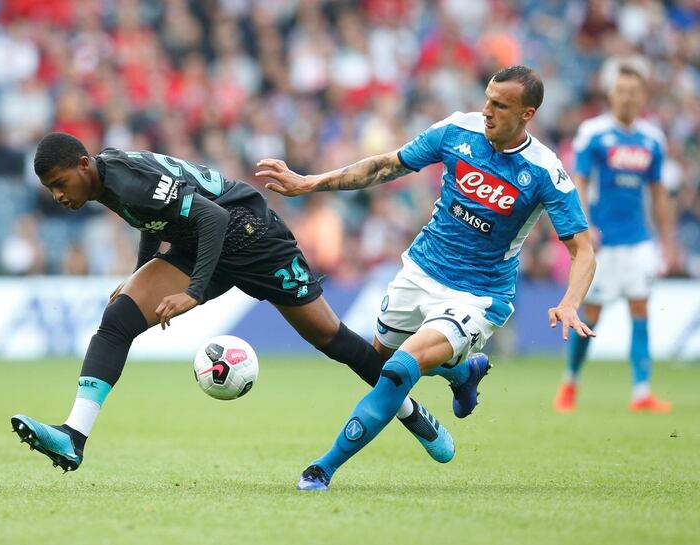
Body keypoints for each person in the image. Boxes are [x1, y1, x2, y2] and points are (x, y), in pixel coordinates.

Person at [10, 133, 485, 471]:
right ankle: (74, 436)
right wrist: (139, 274)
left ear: (83, 165)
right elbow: (152, 222)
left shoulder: (126, 179)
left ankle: (417, 412)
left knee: (332, 339)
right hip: (200, 240)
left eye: (60, 183)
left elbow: (213, 216)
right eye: (51, 189)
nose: (57, 196)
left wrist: (194, 292)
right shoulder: (108, 178)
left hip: (250, 235)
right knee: (117, 321)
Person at [255, 65, 596, 491]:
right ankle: (457, 378)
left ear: (528, 114)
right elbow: (386, 166)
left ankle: (322, 469)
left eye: (500, 105)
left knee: (399, 370)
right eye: (487, 99)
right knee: (377, 366)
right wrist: (310, 183)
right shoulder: (457, 131)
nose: (487, 110)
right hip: (420, 271)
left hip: (478, 296)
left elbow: (582, 247)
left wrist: (570, 301)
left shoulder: (545, 171)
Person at [553, 64, 675, 413]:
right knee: (591, 313)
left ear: (642, 96)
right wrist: (585, 226)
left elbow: (658, 193)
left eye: (633, 91)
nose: (627, 96)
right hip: (602, 243)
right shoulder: (593, 133)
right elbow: (581, 182)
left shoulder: (653, 138)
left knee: (641, 308)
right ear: (611, 94)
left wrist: (666, 241)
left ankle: (642, 392)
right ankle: (570, 383)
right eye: (621, 90)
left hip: (638, 240)